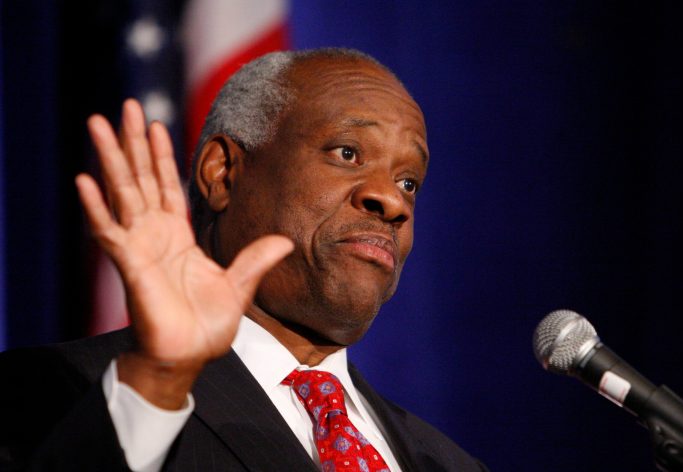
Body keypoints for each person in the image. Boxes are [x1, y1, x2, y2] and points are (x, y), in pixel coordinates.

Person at [0, 48, 487, 471]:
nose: (394, 202)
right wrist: (159, 380)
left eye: (409, 183)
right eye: (347, 152)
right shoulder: (52, 391)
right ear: (223, 171)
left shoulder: (449, 463)